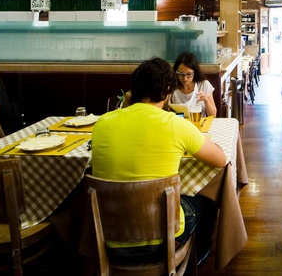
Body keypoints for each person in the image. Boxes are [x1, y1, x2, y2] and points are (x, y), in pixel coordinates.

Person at [91, 57, 226, 266]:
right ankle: (200, 256)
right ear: (167, 92)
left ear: (134, 90)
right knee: (205, 195)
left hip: (110, 237)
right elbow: (220, 160)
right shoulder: (176, 125)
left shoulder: (102, 123)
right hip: (164, 239)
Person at [170, 52, 217, 117]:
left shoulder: (203, 84)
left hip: (199, 122)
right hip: (178, 122)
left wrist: (206, 100)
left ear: (195, 72)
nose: (185, 78)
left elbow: (213, 115)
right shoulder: (171, 85)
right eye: (181, 74)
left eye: (189, 74)